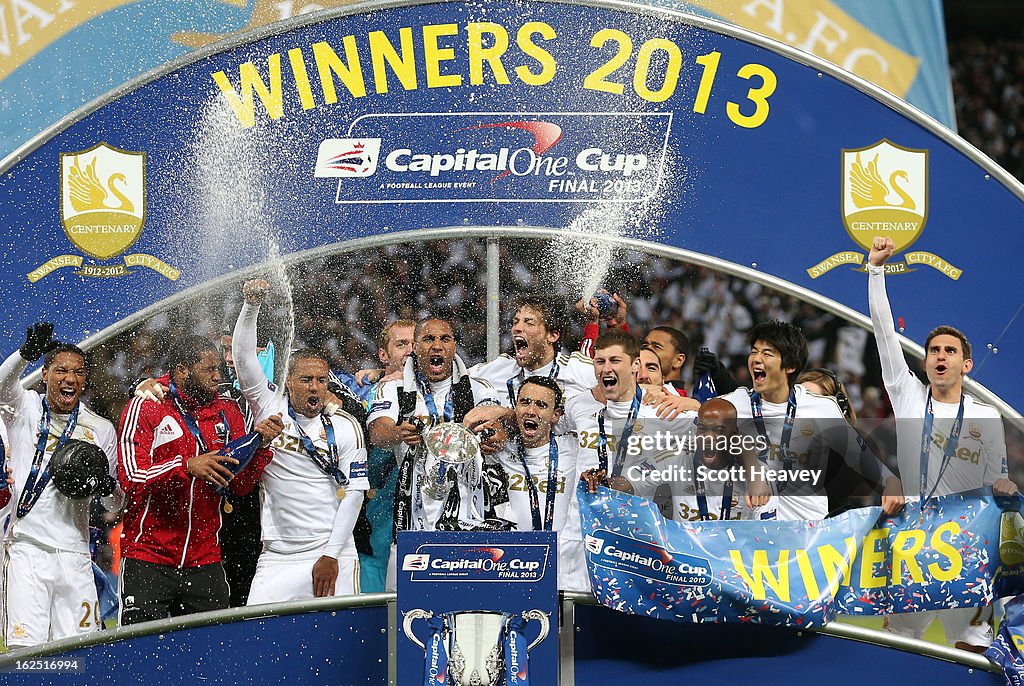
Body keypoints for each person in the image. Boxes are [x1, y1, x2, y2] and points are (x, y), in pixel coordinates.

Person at [868, 236, 1015, 652]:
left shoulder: (987, 417)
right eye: (934, 350)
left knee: (973, 649)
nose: (940, 356)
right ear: (926, 361)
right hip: (914, 543)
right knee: (896, 645)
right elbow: (883, 333)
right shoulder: (909, 396)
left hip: (966, 548)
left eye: (950, 351)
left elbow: (996, 481)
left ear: (965, 365)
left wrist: (1004, 490)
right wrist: (876, 271)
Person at [118, 334, 280, 624]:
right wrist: (186, 466)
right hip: (149, 557)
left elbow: (240, 486)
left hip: (205, 559)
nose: (218, 376)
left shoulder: (227, 412)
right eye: (209, 370)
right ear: (182, 370)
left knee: (212, 655)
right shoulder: (146, 407)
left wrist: (261, 447)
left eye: (219, 368)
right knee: (140, 655)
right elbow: (131, 477)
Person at [234, 279, 370, 603]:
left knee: (337, 645)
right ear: (288, 382)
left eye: (321, 380)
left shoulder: (346, 425)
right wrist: (251, 306)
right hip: (277, 556)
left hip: (333, 552)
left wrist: (332, 554)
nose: (314, 387)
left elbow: (355, 493)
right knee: (259, 640)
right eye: (306, 379)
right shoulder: (268, 405)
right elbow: (243, 359)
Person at [0, 324, 122, 647]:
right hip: (27, 550)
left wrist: (106, 484)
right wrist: (24, 354)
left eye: (78, 372)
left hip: (75, 555)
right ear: (45, 374)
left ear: (85, 380)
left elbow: (114, 505)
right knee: (25, 655)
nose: (70, 378)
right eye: (61, 370)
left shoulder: (101, 429)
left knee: (83, 658)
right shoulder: (25, 407)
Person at [367, 315, 509, 590]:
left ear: (454, 346)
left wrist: (494, 435)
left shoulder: (478, 388)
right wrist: (398, 433)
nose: (437, 346)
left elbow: (497, 427)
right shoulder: (394, 388)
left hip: (471, 518)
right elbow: (378, 432)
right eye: (428, 339)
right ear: (415, 347)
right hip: (414, 521)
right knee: (405, 609)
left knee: (469, 608)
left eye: (445, 339)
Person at [717, 320, 904, 521]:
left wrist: (890, 482)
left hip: (809, 538)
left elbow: (860, 456)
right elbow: (703, 418)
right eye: (754, 351)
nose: (756, 359)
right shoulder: (735, 404)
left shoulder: (822, 408)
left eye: (767, 353)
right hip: (750, 538)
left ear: (790, 366)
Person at [562, 329, 698, 591]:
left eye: (615, 361)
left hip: (634, 545)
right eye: (600, 362)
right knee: (571, 624)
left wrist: (696, 405)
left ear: (635, 365)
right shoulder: (579, 406)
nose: (605, 368)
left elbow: (728, 431)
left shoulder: (663, 412)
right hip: (579, 539)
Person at [490, 376, 577, 539]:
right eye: (525, 402)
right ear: (515, 408)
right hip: (513, 555)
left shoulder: (574, 450)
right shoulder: (499, 448)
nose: (531, 411)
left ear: (555, 415)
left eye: (541, 405)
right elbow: (473, 422)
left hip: (561, 556)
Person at [470, 295, 595, 408]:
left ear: (552, 336)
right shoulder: (498, 369)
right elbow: (454, 377)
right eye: (515, 322)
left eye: (529, 323)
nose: (517, 328)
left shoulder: (578, 369)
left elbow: (614, 403)